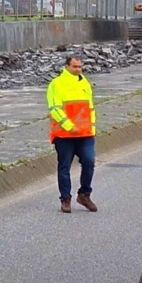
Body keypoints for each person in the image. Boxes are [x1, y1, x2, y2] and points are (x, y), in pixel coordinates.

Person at [47, 56, 97, 213]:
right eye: (75, 67)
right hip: (64, 135)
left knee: (89, 162)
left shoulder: (84, 82)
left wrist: (92, 129)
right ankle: (65, 199)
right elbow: (54, 108)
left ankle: (84, 194)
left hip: (85, 134)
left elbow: (89, 107)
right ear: (66, 66)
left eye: (80, 67)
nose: (78, 69)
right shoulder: (56, 84)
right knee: (64, 167)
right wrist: (69, 126)